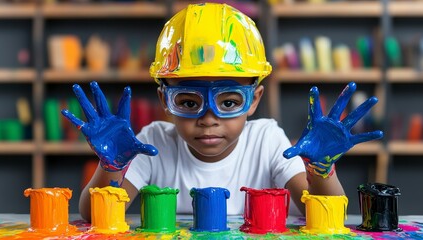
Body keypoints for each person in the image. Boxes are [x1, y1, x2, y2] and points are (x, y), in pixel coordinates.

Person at [62, 3, 383, 222]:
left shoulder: (267, 140)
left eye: (229, 103)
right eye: (188, 103)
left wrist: (321, 171)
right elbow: (94, 216)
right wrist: (111, 167)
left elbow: (325, 217)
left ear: (255, 99)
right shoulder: (153, 142)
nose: (209, 118)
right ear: (164, 99)